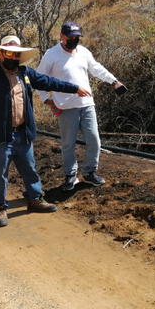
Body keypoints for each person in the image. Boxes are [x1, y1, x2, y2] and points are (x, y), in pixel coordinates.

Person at [0, 35, 92, 227]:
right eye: (9, 53)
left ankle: (35, 199)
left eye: (17, 54)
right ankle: (0, 208)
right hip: (1, 137)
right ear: (1, 54)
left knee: (30, 169)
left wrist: (74, 88)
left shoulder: (25, 73)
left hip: (23, 133)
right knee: (0, 174)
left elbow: (49, 82)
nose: (13, 57)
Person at [36, 21, 126, 191]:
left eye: (77, 37)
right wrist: (48, 101)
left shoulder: (83, 52)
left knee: (94, 140)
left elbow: (96, 69)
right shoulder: (51, 55)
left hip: (86, 105)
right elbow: (38, 80)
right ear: (62, 36)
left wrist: (114, 81)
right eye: (71, 37)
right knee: (68, 144)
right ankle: (70, 176)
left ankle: (90, 172)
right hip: (65, 107)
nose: (74, 39)